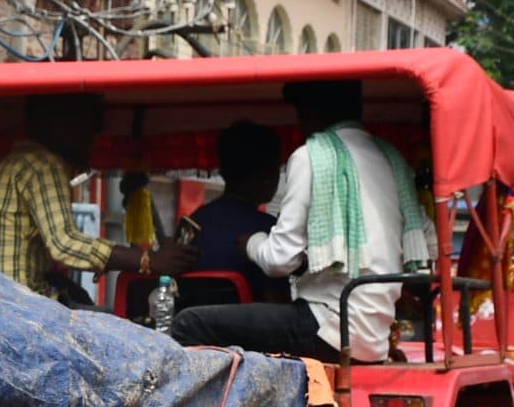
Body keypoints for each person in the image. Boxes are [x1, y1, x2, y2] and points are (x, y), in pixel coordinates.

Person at [169, 79, 430, 363]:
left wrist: (252, 244)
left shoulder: (312, 156)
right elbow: (426, 239)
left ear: (311, 115)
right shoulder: (392, 161)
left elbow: (279, 259)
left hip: (326, 326)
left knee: (187, 323)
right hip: (374, 335)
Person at [0, 95, 194, 300]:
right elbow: (65, 243)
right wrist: (150, 260)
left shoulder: (4, 167)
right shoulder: (43, 164)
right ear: (59, 125)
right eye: (86, 129)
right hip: (12, 308)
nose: (91, 141)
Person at [185, 120, 284, 301]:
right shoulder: (271, 230)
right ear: (267, 175)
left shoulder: (193, 222)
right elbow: (276, 303)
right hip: (249, 328)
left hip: (190, 325)